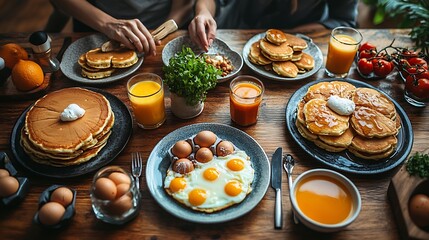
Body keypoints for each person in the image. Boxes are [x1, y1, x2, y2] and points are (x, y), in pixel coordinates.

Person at [51, 0, 195, 56]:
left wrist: (165, 29)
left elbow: (185, 3)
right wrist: (108, 24)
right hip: (98, 26)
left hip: (172, 25)